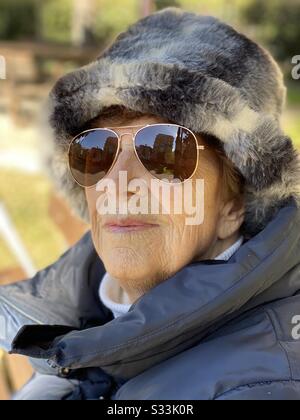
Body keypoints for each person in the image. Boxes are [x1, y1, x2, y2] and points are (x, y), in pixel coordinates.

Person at [1, 7, 300, 400]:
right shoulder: (68, 332)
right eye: (97, 150)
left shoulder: (266, 387)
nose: (118, 183)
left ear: (235, 204)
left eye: (165, 151)